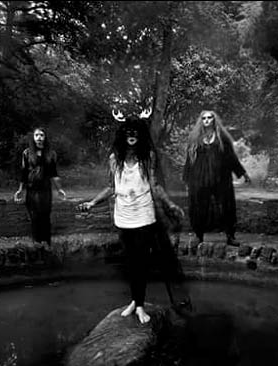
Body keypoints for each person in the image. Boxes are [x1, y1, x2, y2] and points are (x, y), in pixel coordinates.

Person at [78, 111, 185, 324]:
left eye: (136, 131)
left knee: (141, 262)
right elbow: (111, 187)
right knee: (131, 261)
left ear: (141, 135)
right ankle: (135, 301)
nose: (132, 135)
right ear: (123, 135)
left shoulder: (147, 157)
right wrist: (92, 203)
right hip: (123, 216)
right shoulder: (114, 159)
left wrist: (170, 204)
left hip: (144, 215)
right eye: (128, 131)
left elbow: (154, 186)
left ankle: (140, 306)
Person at [183, 110, 250, 247]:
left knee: (226, 205)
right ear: (201, 121)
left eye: (209, 118)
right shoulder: (195, 139)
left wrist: (243, 173)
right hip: (200, 179)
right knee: (199, 207)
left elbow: (231, 157)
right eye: (204, 118)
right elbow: (189, 161)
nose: (207, 120)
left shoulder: (221, 138)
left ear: (214, 120)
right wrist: (186, 179)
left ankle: (230, 236)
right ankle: (198, 235)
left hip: (220, 178)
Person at [13, 127, 67, 246]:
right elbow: (24, 173)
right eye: (37, 135)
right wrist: (20, 190)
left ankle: (47, 244)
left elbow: (54, 173)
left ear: (45, 138)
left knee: (45, 217)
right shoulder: (27, 153)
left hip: (45, 190)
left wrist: (59, 189)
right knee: (34, 217)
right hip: (32, 190)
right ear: (33, 138)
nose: (39, 138)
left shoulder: (51, 154)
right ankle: (37, 244)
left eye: (42, 135)